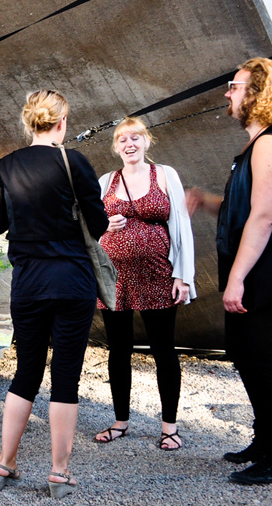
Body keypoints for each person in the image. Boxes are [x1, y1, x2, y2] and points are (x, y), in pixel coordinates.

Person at [0, 90, 108, 498]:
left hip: (29, 283)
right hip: (73, 281)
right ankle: (58, 472)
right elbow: (99, 223)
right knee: (66, 376)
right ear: (61, 122)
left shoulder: (4, 166)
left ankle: (5, 465)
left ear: (28, 122)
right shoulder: (75, 162)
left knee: (26, 372)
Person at [186, 57, 272, 485]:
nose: (227, 93)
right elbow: (241, 207)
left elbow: (264, 216)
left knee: (264, 358)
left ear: (257, 94)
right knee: (247, 357)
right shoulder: (251, 147)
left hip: (262, 272)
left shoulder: (270, 143)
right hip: (244, 265)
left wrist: (237, 278)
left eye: (235, 86)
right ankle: (264, 440)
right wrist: (205, 200)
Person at [93, 117, 196, 450]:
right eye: (122, 139)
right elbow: (88, 228)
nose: (129, 144)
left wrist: (183, 275)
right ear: (116, 146)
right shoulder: (106, 180)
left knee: (163, 349)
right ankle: (121, 421)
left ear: (147, 142)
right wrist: (106, 226)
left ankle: (169, 427)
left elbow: (181, 224)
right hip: (114, 278)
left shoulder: (165, 175)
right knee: (118, 349)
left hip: (157, 274)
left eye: (135, 138)